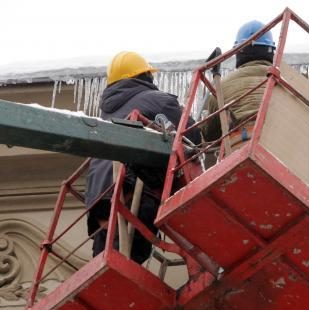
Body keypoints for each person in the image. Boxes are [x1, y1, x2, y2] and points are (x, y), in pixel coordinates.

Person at [85, 51, 201, 264]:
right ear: (144, 76)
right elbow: (191, 134)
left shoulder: (107, 114)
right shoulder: (155, 101)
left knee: (107, 268)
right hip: (133, 192)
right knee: (130, 262)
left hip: (100, 203)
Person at [203, 20, 276, 144]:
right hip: (283, 151)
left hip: (236, 152)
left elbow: (209, 136)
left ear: (238, 52)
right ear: (271, 51)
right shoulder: (288, 85)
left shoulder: (220, 89)